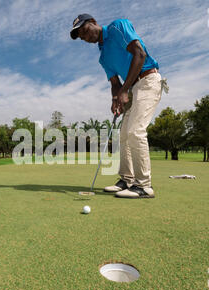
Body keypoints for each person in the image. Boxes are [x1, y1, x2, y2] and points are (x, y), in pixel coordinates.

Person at [70, 14, 168, 199]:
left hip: (148, 81)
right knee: (123, 135)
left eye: (84, 30)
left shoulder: (117, 27)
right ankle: (127, 180)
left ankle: (144, 186)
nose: (84, 36)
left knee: (135, 131)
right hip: (131, 88)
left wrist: (124, 91)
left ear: (93, 23)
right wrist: (116, 98)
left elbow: (140, 54)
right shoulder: (103, 58)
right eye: (80, 36)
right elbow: (114, 83)